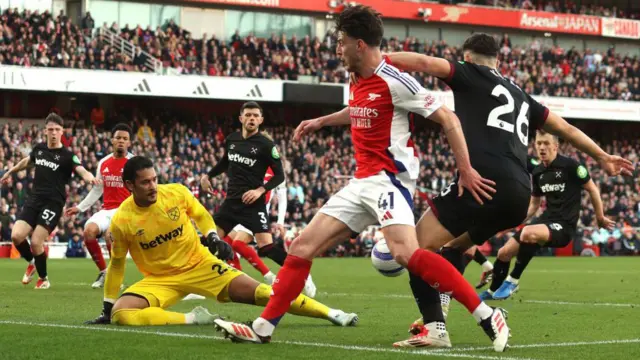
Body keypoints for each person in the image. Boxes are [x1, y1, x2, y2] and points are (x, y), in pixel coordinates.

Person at [213, 6, 512, 352]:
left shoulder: (396, 80)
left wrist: (466, 170)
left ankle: (487, 315)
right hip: (360, 183)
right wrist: (322, 121)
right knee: (302, 246)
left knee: (406, 254)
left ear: (359, 44)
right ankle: (263, 327)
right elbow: (357, 111)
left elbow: (448, 119)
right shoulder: (355, 78)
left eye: (340, 42)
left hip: (390, 182)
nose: (336, 49)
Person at [384, 34, 633, 348]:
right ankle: (442, 304)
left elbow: (421, 62)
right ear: (497, 61)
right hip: (518, 193)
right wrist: (601, 156)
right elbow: (566, 129)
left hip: (483, 182)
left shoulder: (468, 72)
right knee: (453, 251)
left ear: (469, 58)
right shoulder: (521, 94)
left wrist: (379, 61)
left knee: (414, 249)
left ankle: (439, 326)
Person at [85, 156, 358, 328]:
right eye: (145, 183)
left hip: (201, 265)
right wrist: (107, 308)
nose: (154, 186)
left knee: (264, 293)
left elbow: (202, 215)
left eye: (155, 180)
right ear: (130, 186)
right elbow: (118, 265)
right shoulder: (122, 221)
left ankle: (331, 313)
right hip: (160, 279)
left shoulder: (176, 193)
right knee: (123, 315)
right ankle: (194, 318)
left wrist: (213, 236)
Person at [483, 130, 615, 300]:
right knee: (503, 252)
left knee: (529, 233)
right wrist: (513, 224)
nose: (542, 148)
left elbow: (592, 189)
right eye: (538, 144)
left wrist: (600, 217)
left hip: (564, 225)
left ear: (555, 146)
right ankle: (493, 292)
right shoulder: (538, 172)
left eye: (546, 143)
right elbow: (534, 205)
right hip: (545, 221)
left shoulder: (571, 166)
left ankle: (513, 280)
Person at [201, 102, 316, 297]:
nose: (252, 118)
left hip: (253, 205)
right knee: (209, 241)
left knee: (268, 248)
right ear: (241, 118)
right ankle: (196, 283)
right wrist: (208, 176)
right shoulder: (232, 140)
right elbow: (224, 162)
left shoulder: (266, 145)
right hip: (231, 203)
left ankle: (304, 275)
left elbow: (280, 176)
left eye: (255, 115)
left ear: (261, 120)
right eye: (248, 115)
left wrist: (259, 190)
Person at [0, 113, 98, 289]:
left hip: (53, 203)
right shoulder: (39, 149)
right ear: (45, 130)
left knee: (37, 241)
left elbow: (81, 169)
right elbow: (26, 162)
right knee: (16, 236)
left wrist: (91, 178)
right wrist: (10, 171)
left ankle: (43, 279)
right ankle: (31, 262)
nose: (53, 133)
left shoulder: (68, 156)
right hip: (34, 199)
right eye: (50, 129)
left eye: (57, 130)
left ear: (62, 132)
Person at [64, 123, 134, 288]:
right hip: (107, 210)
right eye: (118, 138)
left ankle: (116, 278)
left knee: (110, 235)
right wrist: (79, 208)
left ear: (129, 143)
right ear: (112, 140)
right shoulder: (104, 162)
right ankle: (104, 272)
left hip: (126, 210)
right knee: (88, 231)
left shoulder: (134, 163)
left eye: (125, 139)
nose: (121, 141)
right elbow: (97, 190)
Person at [225, 160, 288, 286]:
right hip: (241, 211)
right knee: (226, 242)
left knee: (238, 244)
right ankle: (239, 280)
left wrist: (280, 222)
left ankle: (271, 274)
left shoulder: (276, 173)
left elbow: (282, 199)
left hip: (257, 213)